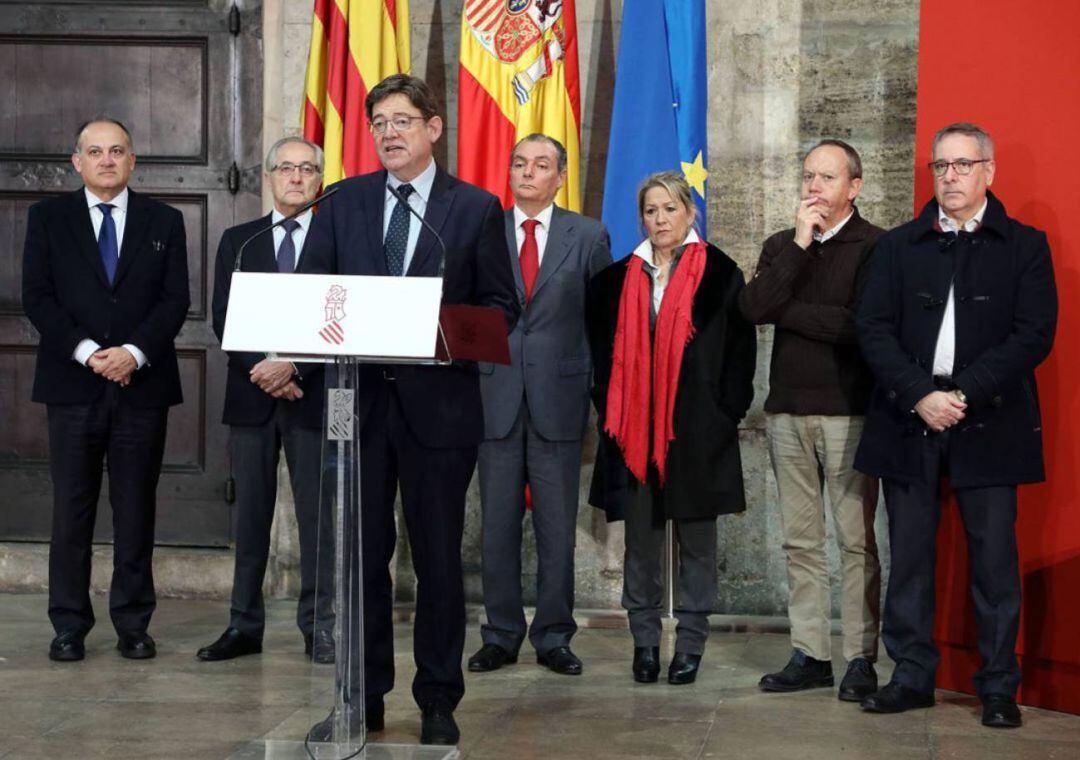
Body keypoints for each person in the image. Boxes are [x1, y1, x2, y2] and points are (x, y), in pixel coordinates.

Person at [302, 74, 518, 745]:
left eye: (401, 120)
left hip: (439, 412)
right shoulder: (342, 203)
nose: (388, 133)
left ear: (433, 128)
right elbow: (313, 291)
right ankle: (359, 698)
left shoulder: (475, 208)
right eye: (378, 122)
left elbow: (501, 308)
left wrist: (441, 328)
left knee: (436, 560)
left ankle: (438, 698)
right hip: (358, 406)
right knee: (359, 561)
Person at [855, 123, 1057, 728]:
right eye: (941, 166)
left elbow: (1033, 334)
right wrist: (920, 394)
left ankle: (998, 685)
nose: (950, 177)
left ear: (989, 172)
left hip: (989, 421)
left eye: (963, 165)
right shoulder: (897, 246)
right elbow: (873, 329)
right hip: (909, 417)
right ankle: (911, 675)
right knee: (909, 556)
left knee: (994, 560)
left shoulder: (1025, 245)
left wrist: (964, 392)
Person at [22, 118, 190, 662]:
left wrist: (133, 354)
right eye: (95, 152)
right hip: (73, 385)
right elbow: (38, 298)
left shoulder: (166, 220)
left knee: (135, 508)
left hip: (143, 386)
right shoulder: (47, 218)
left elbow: (175, 301)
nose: (107, 160)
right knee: (72, 509)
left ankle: (133, 624)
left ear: (133, 159)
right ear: (77, 162)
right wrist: (89, 352)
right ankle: (69, 625)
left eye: (117, 151)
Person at [587, 171, 755, 686]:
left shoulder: (721, 273)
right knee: (641, 543)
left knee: (698, 545)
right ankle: (644, 643)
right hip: (633, 438)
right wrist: (615, 415)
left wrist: (724, 416)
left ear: (690, 213)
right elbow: (600, 359)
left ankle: (690, 644)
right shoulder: (614, 281)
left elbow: (740, 357)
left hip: (699, 437)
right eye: (651, 211)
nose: (660, 219)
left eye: (670, 209)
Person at [739, 140, 883, 701]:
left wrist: (788, 311)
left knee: (855, 542)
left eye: (827, 177)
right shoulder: (782, 245)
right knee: (801, 543)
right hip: (787, 413)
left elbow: (862, 327)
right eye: (808, 176)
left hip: (850, 413)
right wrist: (800, 246)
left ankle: (860, 658)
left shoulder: (876, 246)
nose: (814, 187)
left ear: (855, 185)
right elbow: (753, 309)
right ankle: (811, 653)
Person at [467, 134, 611, 677]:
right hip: (494, 395)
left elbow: (601, 325)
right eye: (520, 163)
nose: (528, 172)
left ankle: (554, 635)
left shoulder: (589, 234)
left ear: (560, 176)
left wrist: (598, 399)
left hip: (560, 397)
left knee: (556, 526)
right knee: (496, 525)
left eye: (541, 164)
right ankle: (500, 634)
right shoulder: (485, 230)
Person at [197, 137, 334, 664]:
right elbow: (223, 316)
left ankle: (318, 625)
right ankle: (243, 625)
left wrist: (295, 366)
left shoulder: (336, 238)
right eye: (286, 168)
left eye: (306, 169)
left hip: (313, 394)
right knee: (250, 517)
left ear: (320, 179)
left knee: (317, 519)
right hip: (252, 396)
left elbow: (341, 316)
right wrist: (266, 370)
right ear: (270, 177)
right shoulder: (240, 239)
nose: (296, 177)